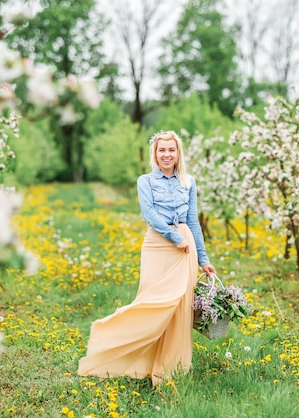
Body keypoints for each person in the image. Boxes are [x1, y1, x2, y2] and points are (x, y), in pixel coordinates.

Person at [77, 130, 216, 386]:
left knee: (179, 308)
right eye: (162, 150)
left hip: (186, 249)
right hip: (158, 244)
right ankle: (115, 344)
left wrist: (203, 259)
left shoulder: (188, 182)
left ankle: (172, 367)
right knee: (151, 301)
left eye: (171, 150)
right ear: (155, 153)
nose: (167, 155)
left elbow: (193, 221)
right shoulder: (145, 181)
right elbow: (149, 213)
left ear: (178, 153)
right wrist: (175, 238)